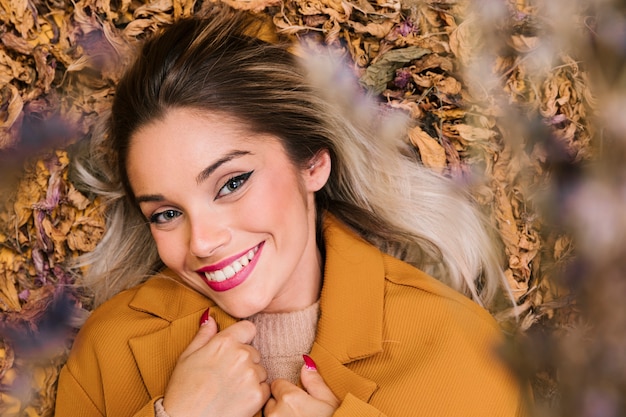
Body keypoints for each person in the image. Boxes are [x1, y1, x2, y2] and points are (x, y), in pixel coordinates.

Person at [55, 4, 530, 417]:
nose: (201, 241)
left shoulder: (458, 348)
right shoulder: (110, 350)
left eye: (232, 184)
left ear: (313, 164)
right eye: (166, 214)